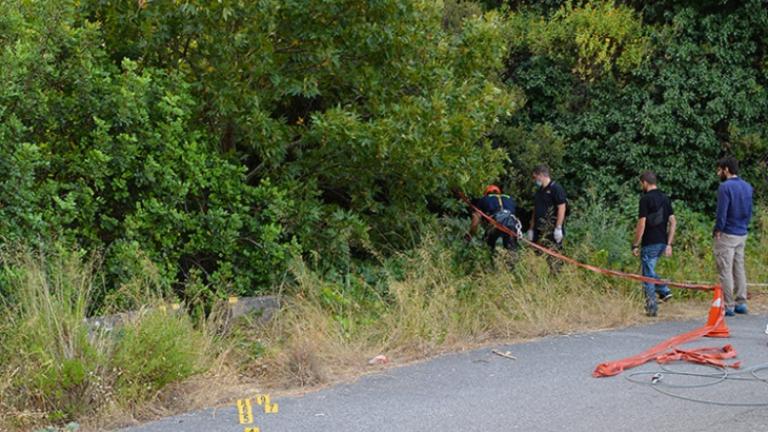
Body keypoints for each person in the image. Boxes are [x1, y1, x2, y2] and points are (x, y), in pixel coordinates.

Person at [632, 171, 676, 317]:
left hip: (649, 242)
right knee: (649, 271)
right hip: (662, 242)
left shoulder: (645, 199)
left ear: (644, 182)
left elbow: (642, 223)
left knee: (647, 276)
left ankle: (652, 306)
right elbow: (673, 222)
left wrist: (635, 244)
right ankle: (664, 291)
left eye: (641, 183)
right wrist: (669, 244)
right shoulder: (665, 198)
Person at [713, 157, 753, 316]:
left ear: (726, 169)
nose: (718, 173)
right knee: (739, 267)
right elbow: (749, 210)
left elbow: (722, 212)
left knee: (725, 269)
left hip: (727, 232)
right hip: (742, 232)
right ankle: (741, 302)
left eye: (720, 170)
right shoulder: (747, 186)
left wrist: (718, 229)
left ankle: (728, 305)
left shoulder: (725, 187)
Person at [467, 185, 519, 253]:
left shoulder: (484, 199)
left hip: (495, 223)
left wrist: (470, 235)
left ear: (486, 193)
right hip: (511, 223)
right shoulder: (510, 199)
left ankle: (488, 260)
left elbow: (475, 222)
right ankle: (512, 261)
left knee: (487, 248)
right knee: (511, 251)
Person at [527, 165, 567, 248]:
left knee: (553, 255)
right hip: (538, 229)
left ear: (541, 175)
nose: (534, 180)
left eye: (535, 177)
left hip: (551, 229)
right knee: (536, 253)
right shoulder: (539, 191)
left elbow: (562, 208)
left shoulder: (556, 188)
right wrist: (531, 228)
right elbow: (535, 209)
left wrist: (558, 228)